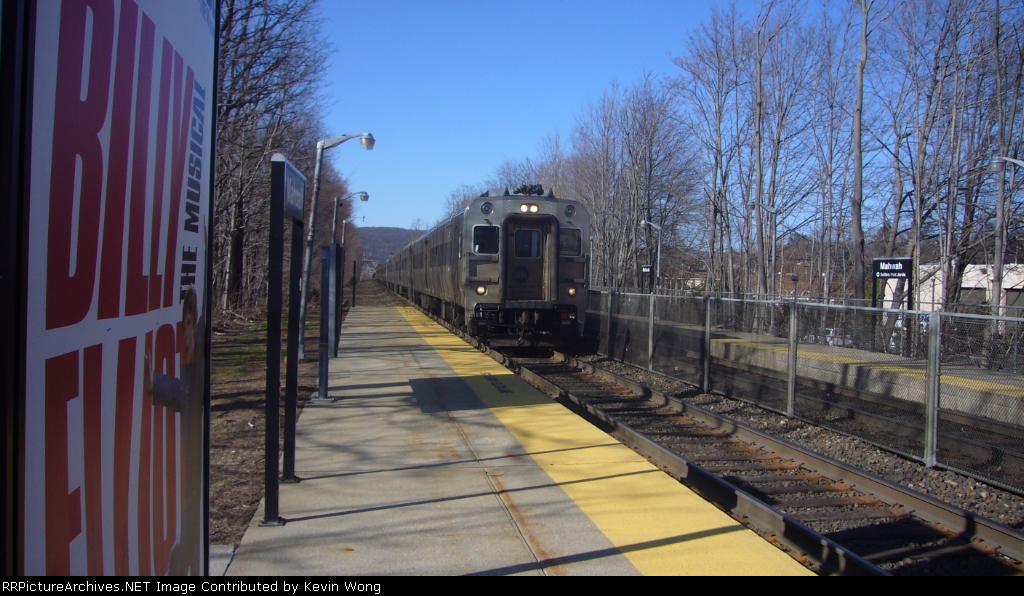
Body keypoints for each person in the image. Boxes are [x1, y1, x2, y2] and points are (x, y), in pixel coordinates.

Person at [146, 286, 204, 576]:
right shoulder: (192, 364)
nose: (186, 337)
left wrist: (156, 383)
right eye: (185, 328)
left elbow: (191, 397)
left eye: (190, 326)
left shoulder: (197, 364)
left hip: (193, 467)